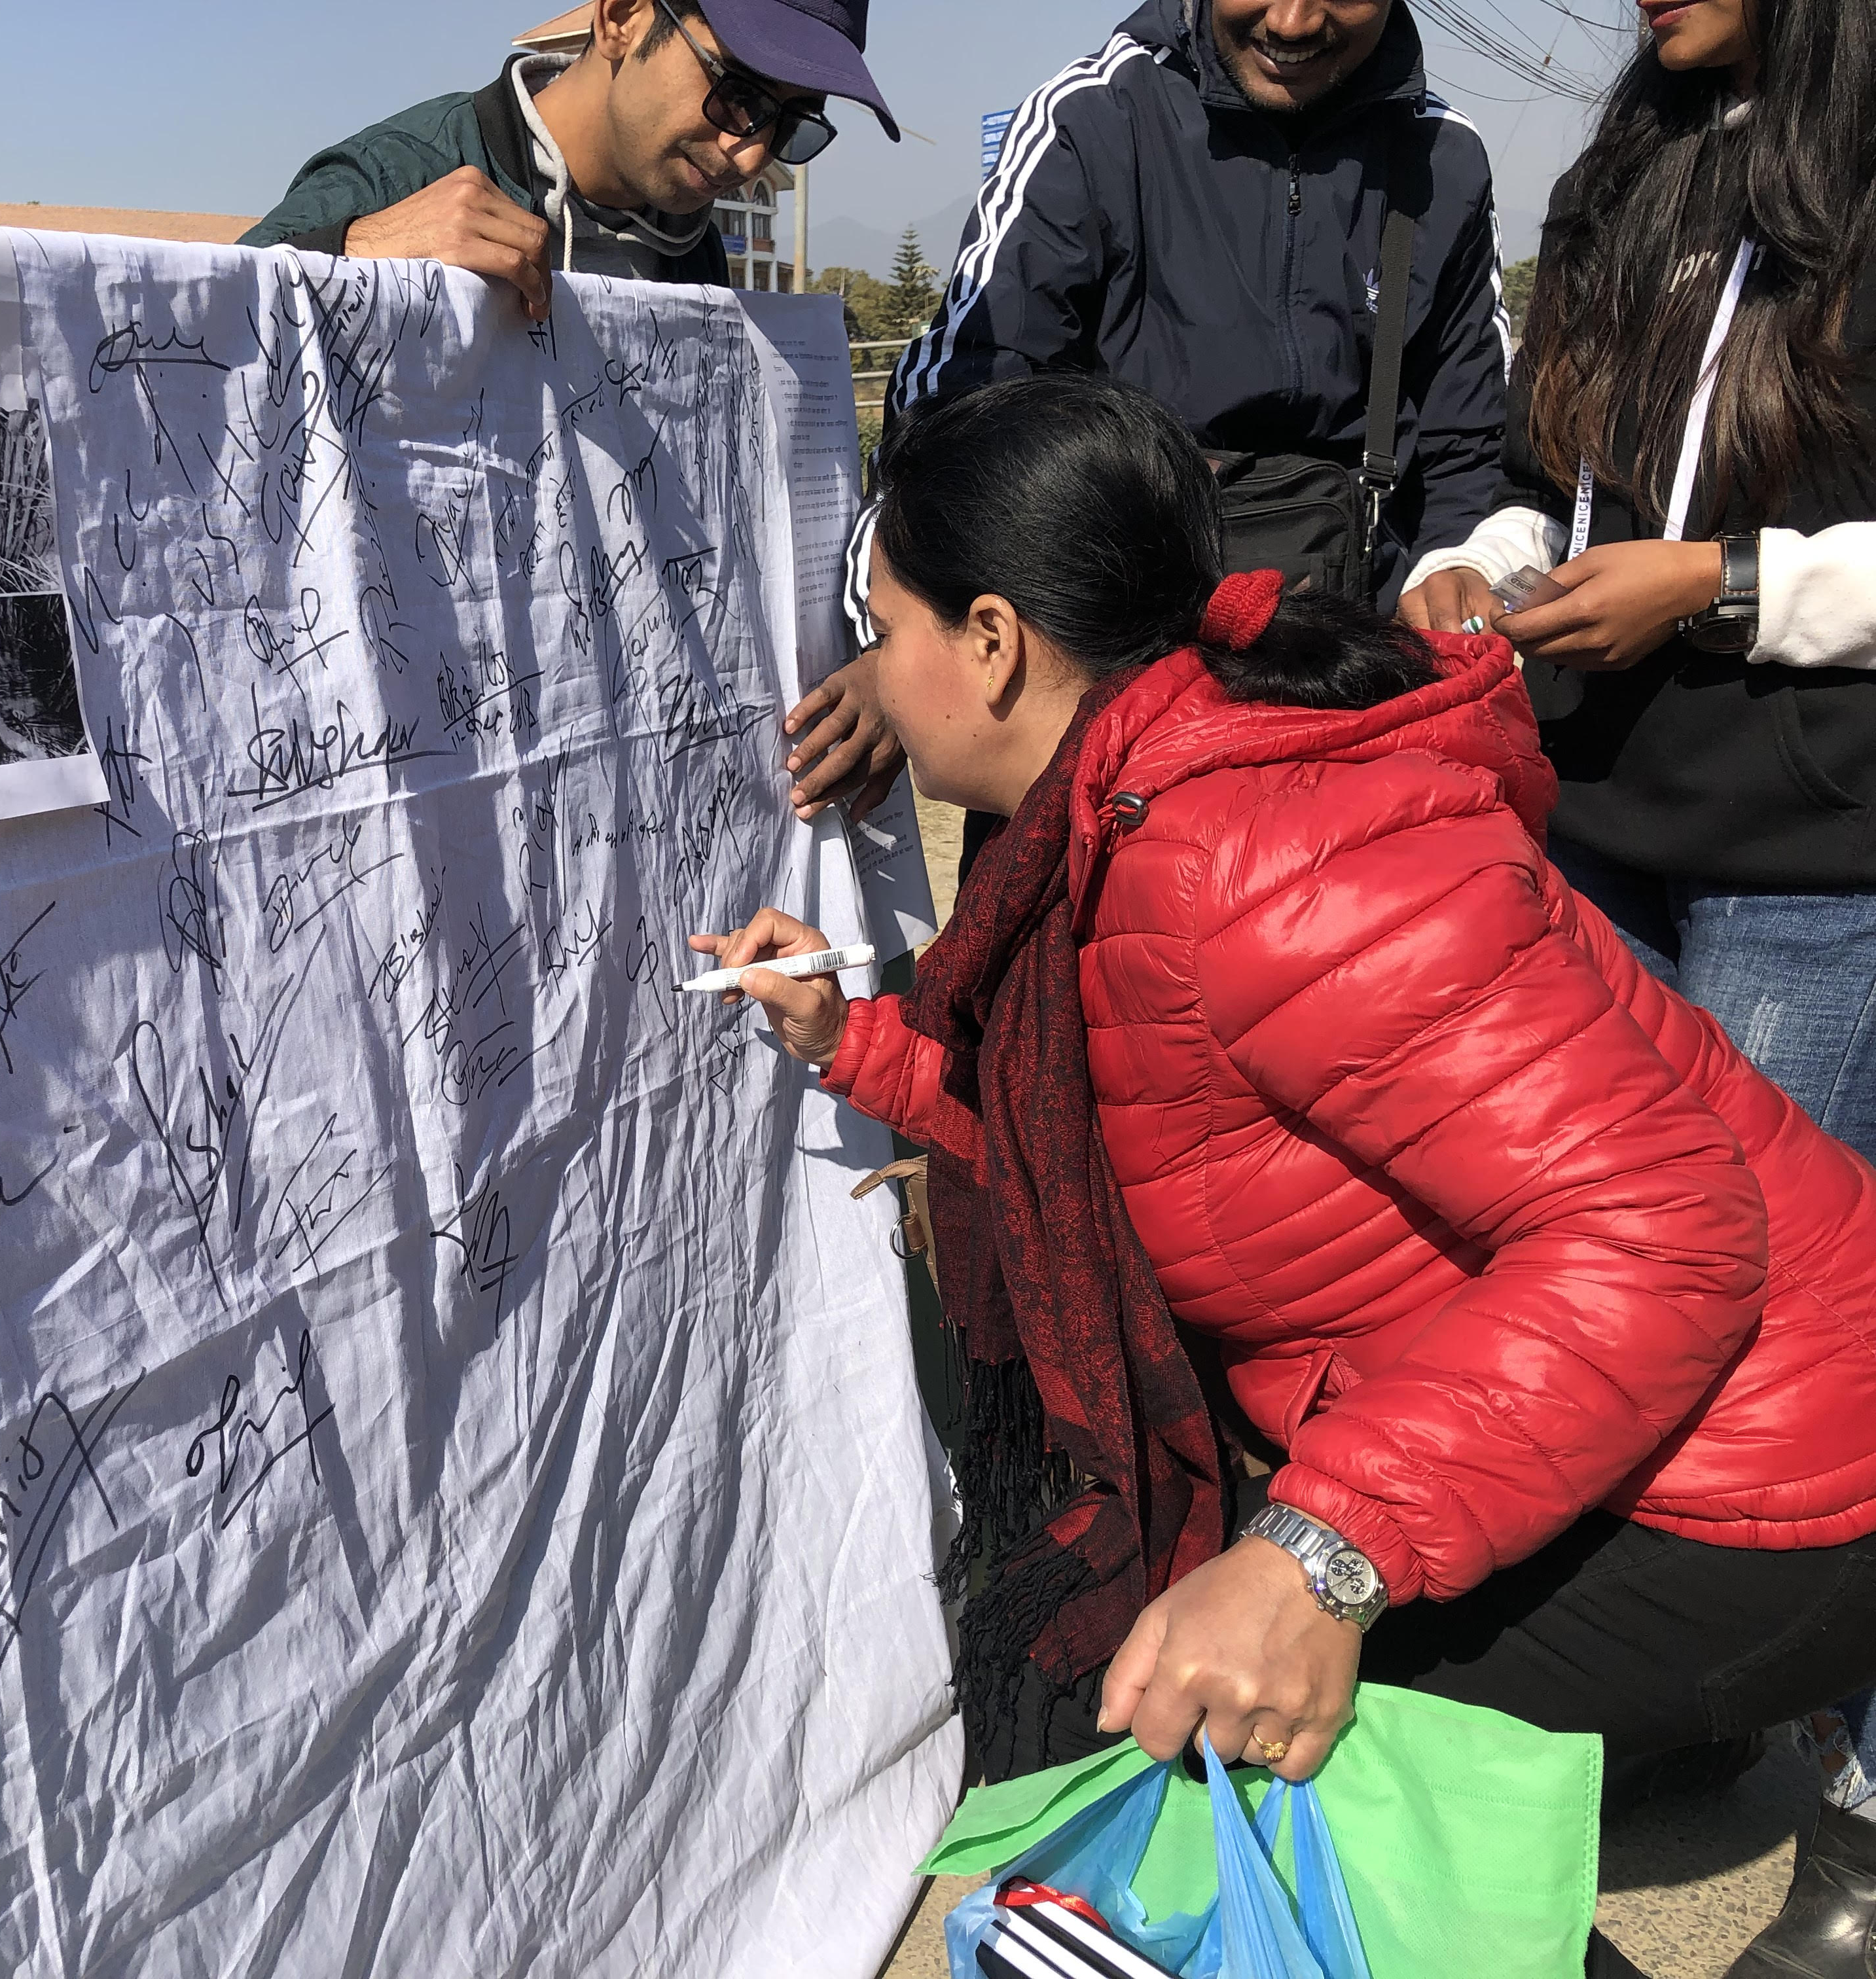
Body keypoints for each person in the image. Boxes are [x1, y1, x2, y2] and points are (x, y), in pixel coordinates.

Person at [697, 374, 1876, 1979]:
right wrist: (854, 1042)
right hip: (1637, 1411)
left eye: (881, 627)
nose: (873, 674)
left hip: (1771, 1469)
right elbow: (1104, 1135)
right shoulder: (1133, 806)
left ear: (991, 642)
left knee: (1272, 1753)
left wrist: (1321, 1555)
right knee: (1275, 1778)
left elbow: (1657, 1233)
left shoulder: (1251, 856)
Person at [1395, 0, 1875, 1966]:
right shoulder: (1635, 171)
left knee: (1808, 1340)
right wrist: (1479, 559)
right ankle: (1697, 1686)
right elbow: (1550, 474)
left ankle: (1862, 1834)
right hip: (1596, 823)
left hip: (1811, 861)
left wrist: (1731, 587)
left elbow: (1719, 547)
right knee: (1617, 1300)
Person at [784, 0, 1511, 826]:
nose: (1294, 21)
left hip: (1347, 709)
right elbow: (957, 415)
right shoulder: (1093, 120)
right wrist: (895, 640)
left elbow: (1466, 453)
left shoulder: (1441, 158)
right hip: (1095, 727)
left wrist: (1457, 578)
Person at [240, 0, 896, 315]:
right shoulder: (405, 173)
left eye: (791, 123)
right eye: (737, 93)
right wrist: (355, 251)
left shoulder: (691, 245)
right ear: (622, 19)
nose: (750, 157)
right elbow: (201, 340)